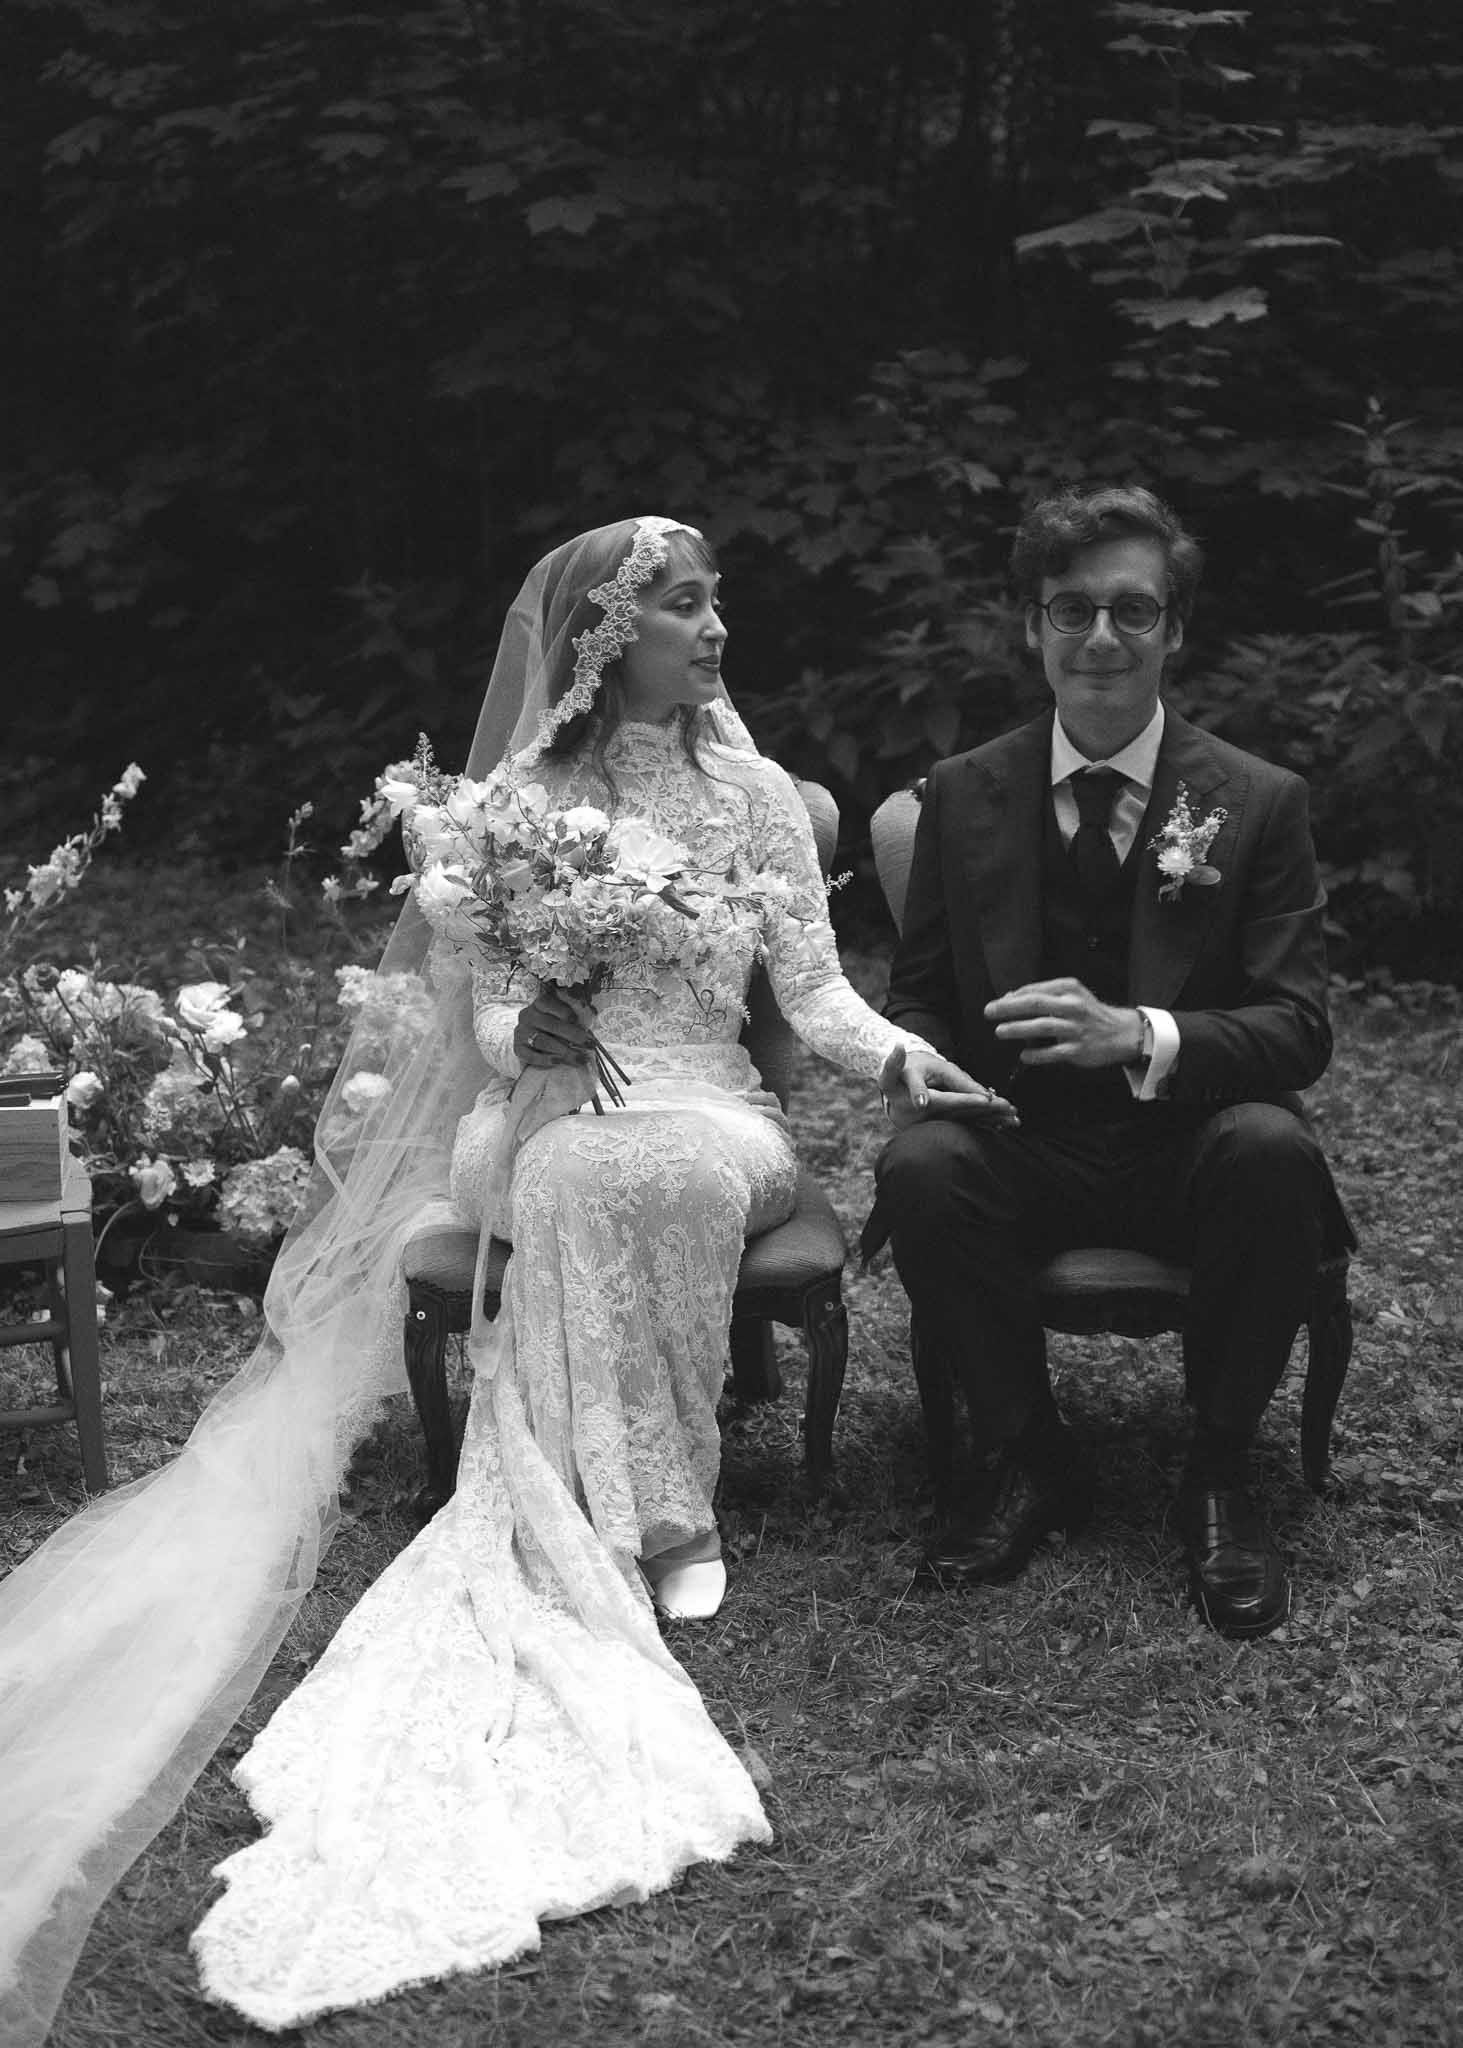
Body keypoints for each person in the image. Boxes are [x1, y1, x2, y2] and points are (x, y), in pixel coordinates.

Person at [0, 515, 934, 2038]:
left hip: (710, 1103)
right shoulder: (516, 805)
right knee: (568, 1157)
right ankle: (641, 1508)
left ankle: (637, 1495)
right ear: (603, 643)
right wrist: (535, 1040)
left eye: (714, 606)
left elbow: (817, 993)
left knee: (661, 1164)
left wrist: (909, 1058)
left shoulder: (760, 798)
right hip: (545, 1111)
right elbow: (492, 1014)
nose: (713, 632)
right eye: (682, 610)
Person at [867, 484, 1354, 1639]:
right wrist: (919, 1065)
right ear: (1031, 626)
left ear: (1173, 631)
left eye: (1130, 612)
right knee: (922, 1168)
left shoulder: (1255, 800)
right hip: (1019, 1139)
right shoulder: (963, 791)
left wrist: (1136, 1031)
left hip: (1186, 1147)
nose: (1099, 637)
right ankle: (1029, 1456)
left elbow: (1299, 1026)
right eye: (1070, 609)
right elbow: (922, 997)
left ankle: (1221, 1474)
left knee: (1273, 1145)